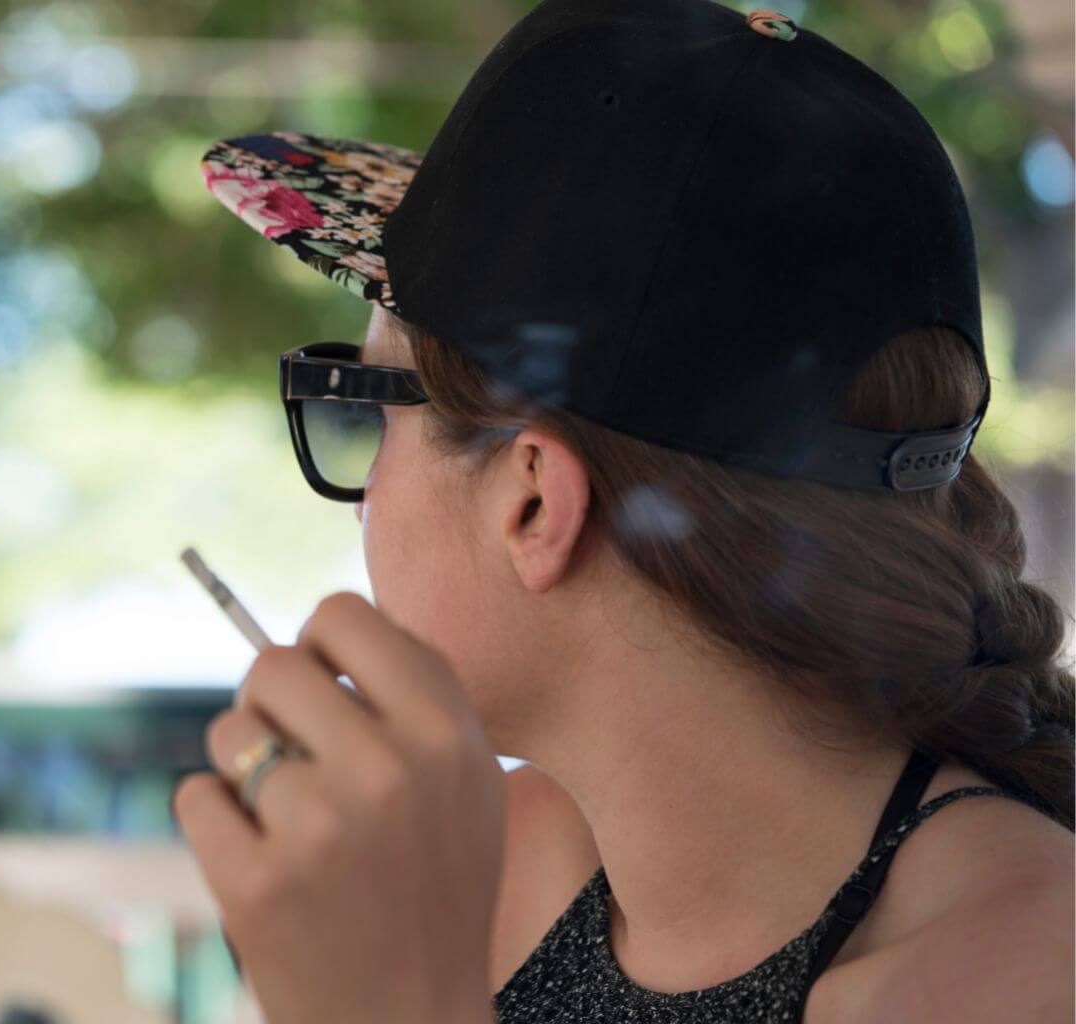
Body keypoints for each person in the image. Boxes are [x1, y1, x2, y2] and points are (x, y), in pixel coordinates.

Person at [171, 0, 1076, 1021]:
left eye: (371, 409)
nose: (364, 499)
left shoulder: (1010, 979)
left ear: (532, 501)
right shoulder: (492, 867)